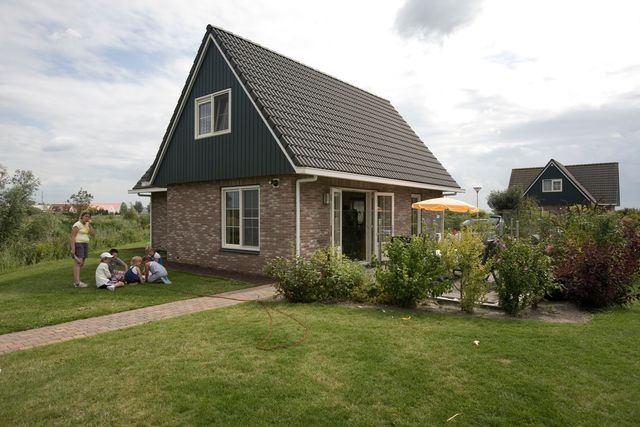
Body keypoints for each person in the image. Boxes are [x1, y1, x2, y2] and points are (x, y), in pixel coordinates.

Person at [69, 211, 95, 288]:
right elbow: (72, 237)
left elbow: (93, 234)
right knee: (78, 263)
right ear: (82, 217)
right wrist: (73, 249)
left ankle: (76, 278)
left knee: (82, 263)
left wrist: (90, 225)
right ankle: (77, 283)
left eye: (89, 217)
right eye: (86, 216)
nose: (87, 218)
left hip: (85, 244)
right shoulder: (77, 225)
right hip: (78, 244)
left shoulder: (87, 224)